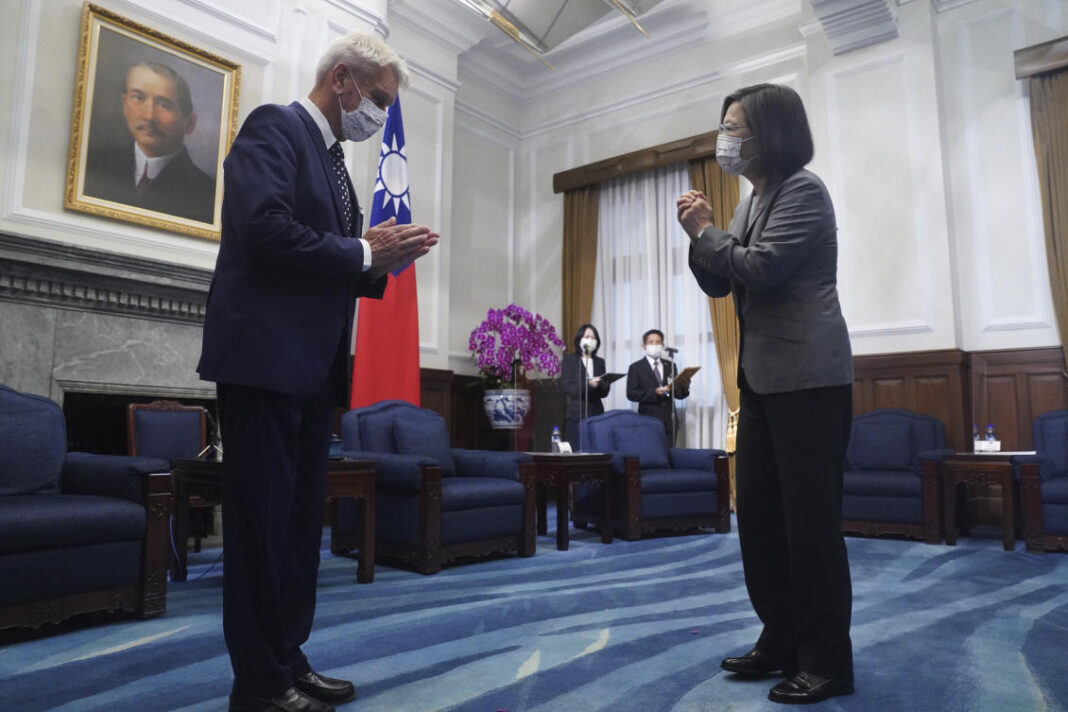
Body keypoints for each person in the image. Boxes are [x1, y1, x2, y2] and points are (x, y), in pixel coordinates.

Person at [197, 32, 438, 712]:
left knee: (300, 527)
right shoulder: (274, 127)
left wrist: (380, 262)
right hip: (264, 362)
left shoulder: (334, 161)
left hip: (310, 369)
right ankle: (258, 685)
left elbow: (331, 260)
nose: (379, 116)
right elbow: (264, 229)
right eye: (378, 99)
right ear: (342, 80)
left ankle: (287, 659)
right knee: (261, 528)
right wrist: (362, 250)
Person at [677, 83, 854, 705]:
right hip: (760, 381)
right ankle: (780, 640)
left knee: (810, 525)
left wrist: (707, 232)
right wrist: (698, 237)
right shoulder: (751, 201)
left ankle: (826, 661)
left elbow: (762, 268)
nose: (724, 139)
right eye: (725, 126)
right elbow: (722, 283)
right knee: (758, 520)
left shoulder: (804, 190)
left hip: (810, 380)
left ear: (770, 134)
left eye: (734, 128)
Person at [83, 61, 216, 223]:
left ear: (189, 123)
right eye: (138, 98)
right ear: (125, 104)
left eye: (164, 105)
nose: (149, 116)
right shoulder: (93, 163)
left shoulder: (207, 193)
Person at [626, 328, 689, 443]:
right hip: (648, 421)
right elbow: (631, 394)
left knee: (670, 452)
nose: (654, 345)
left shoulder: (670, 365)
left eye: (658, 342)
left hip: (669, 421)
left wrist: (684, 386)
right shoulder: (636, 367)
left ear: (663, 345)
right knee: (651, 453)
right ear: (644, 346)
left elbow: (677, 394)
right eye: (651, 342)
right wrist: (654, 392)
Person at [559, 323, 611, 449]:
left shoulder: (600, 362)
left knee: (596, 450)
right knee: (577, 450)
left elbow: (603, 394)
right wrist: (588, 385)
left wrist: (605, 383)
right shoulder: (569, 360)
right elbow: (567, 388)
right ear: (579, 339)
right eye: (587, 337)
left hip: (597, 413)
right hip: (576, 414)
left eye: (593, 338)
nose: (590, 340)